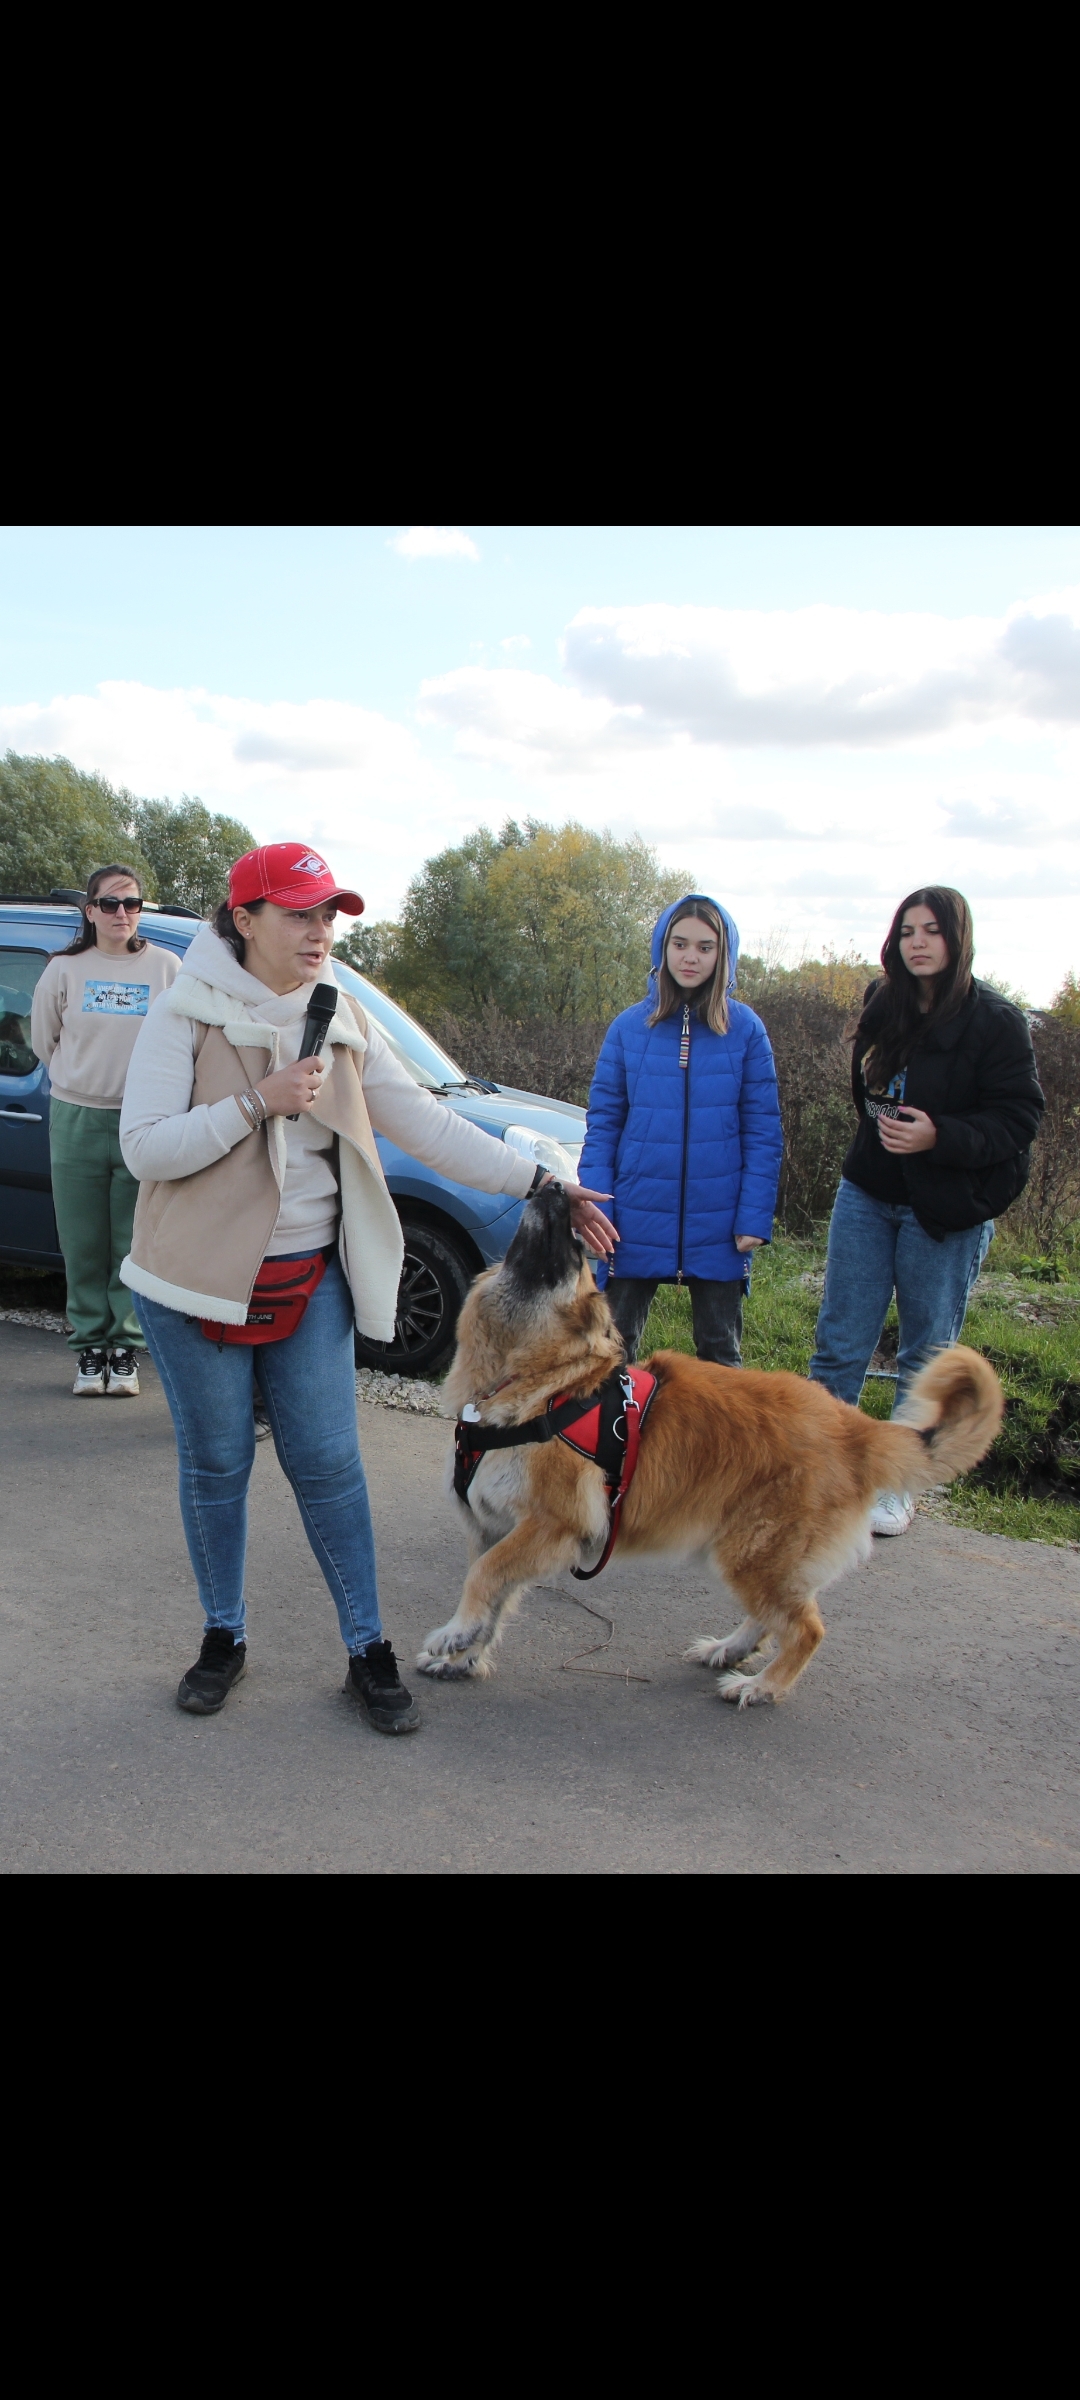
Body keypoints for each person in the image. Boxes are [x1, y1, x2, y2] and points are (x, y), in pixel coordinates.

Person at [118, 842, 616, 1733]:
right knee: (218, 1467)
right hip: (192, 1287)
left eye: (329, 915)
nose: (321, 931)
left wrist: (537, 1185)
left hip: (308, 1284)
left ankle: (366, 1649)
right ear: (244, 919)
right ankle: (222, 1639)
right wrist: (257, 1101)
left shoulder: (339, 1010)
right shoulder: (181, 1011)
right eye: (299, 913)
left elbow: (424, 1120)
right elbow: (145, 1148)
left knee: (331, 1471)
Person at [808, 887, 1044, 1534]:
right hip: (868, 1191)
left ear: (957, 938)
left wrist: (940, 1135)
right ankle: (823, 1470)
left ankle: (897, 1484)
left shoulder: (996, 1021)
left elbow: (1019, 1117)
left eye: (931, 930)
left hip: (943, 1206)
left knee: (924, 1351)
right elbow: (872, 1085)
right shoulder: (886, 1000)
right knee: (840, 1343)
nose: (917, 941)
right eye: (907, 929)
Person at [577, 894, 783, 1367]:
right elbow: (604, 1126)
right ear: (662, 948)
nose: (691, 957)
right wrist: (595, 1207)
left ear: (723, 954)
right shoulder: (629, 1028)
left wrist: (754, 1217)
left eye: (706, 947)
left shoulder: (746, 1030)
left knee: (719, 1352)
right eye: (680, 944)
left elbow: (763, 1132)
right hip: (632, 1215)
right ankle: (614, 1440)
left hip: (719, 1218)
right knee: (611, 1350)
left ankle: (719, 1444)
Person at [30, 864, 178, 1397]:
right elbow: (45, 1042)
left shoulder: (166, 968)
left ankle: (124, 1348)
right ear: (89, 911)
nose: (122, 914)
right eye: (110, 904)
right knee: (82, 1241)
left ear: (141, 910)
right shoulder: (64, 970)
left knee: (130, 1242)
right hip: (75, 1118)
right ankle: (90, 1349)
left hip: (141, 1120)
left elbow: (183, 1044)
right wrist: (83, 1081)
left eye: (131, 903)